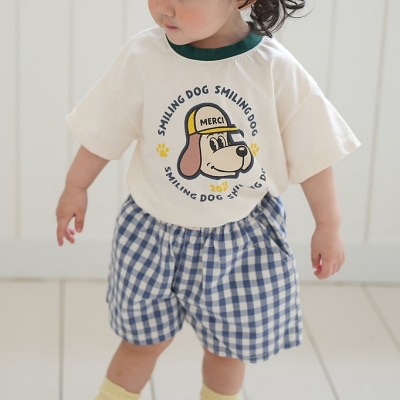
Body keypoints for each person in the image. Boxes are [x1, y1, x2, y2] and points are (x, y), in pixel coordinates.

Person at [56, 0, 361, 399]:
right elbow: (104, 127)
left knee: (227, 353)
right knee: (140, 343)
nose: (164, 8)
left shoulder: (273, 68)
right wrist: (76, 186)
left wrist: (329, 224)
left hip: (240, 243)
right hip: (150, 234)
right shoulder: (144, 56)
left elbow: (314, 150)